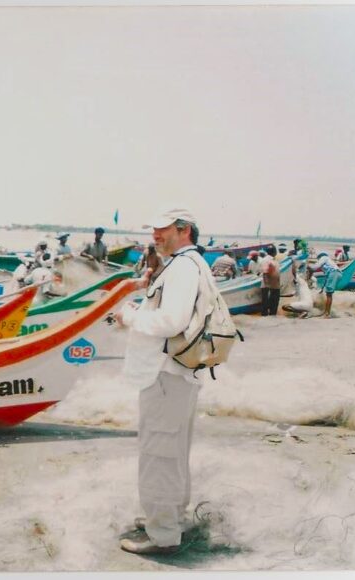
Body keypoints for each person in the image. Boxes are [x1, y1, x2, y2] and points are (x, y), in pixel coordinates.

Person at [114, 208, 206, 555]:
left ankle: (162, 533)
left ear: (183, 230)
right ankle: (169, 519)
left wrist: (129, 315)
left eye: (161, 229)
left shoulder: (182, 267)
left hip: (166, 375)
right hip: (177, 375)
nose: (155, 235)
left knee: (159, 454)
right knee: (173, 453)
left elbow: (172, 321)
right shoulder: (190, 263)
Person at [308, 251, 342, 317]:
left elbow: (315, 267)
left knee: (329, 294)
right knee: (328, 293)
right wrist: (322, 288)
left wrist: (307, 266)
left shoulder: (324, 258)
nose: (318, 260)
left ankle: (327, 314)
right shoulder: (329, 262)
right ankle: (326, 312)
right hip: (337, 274)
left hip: (334, 273)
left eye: (318, 259)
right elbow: (327, 277)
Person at [259, 246, 281, 316]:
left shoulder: (273, 260)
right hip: (269, 286)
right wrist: (267, 285)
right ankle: (266, 320)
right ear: (274, 252)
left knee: (274, 304)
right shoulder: (266, 260)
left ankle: (272, 318)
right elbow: (265, 273)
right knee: (266, 305)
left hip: (275, 285)